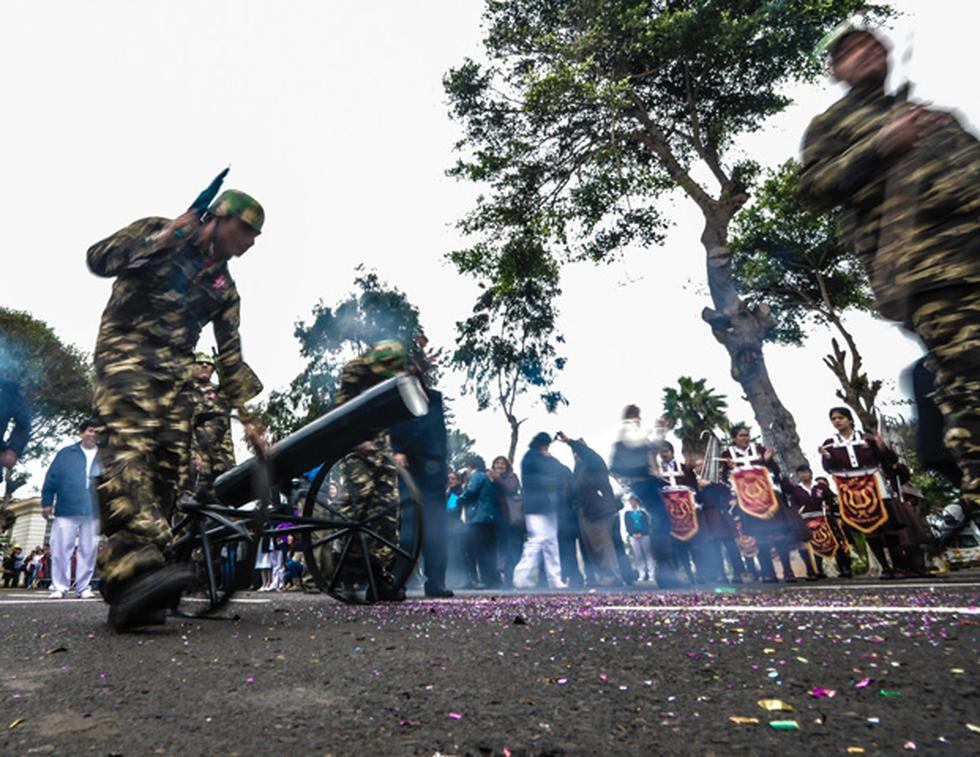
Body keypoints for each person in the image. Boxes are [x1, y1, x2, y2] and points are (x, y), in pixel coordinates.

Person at [800, 23, 980, 515]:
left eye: (871, 44)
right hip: (932, 274)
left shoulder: (936, 119)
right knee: (973, 384)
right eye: (849, 51)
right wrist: (880, 145)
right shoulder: (831, 126)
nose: (864, 52)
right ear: (836, 71)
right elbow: (813, 188)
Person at [87, 188, 266, 629]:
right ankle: (141, 566)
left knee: (169, 472)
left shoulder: (225, 288)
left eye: (256, 235)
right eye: (246, 229)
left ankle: (128, 583)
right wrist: (161, 239)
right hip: (126, 356)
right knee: (129, 454)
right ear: (219, 216)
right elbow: (98, 259)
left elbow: (230, 356)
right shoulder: (159, 231)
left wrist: (248, 419)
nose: (251, 242)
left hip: (175, 376)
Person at [332, 339, 408, 601]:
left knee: (389, 510)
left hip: (380, 444)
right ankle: (351, 570)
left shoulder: (393, 374)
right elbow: (341, 410)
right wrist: (356, 440)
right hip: (354, 444)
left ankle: (381, 576)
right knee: (361, 506)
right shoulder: (354, 370)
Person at [390, 343, 454, 598]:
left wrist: (444, 469)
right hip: (410, 469)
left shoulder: (434, 397)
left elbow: (441, 435)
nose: (417, 368)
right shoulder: (398, 397)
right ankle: (398, 582)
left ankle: (436, 582)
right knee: (409, 528)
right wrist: (397, 450)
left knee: (437, 529)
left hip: (434, 471)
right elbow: (394, 427)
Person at [819, 406, 909, 578]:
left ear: (850, 419)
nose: (837, 421)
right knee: (867, 528)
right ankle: (885, 567)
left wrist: (882, 447)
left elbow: (890, 460)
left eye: (841, 417)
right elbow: (828, 468)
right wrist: (828, 458)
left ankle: (899, 566)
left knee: (888, 525)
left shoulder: (867, 438)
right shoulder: (829, 443)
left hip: (874, 483)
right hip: (850, 489)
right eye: (834, 419)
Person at [721, 425, 802, 583]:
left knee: (778, 534)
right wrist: (730, 469)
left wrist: (767, 461)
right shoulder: (726, 455)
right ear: (734, 438)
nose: (745, 438)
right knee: (758, 536)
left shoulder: (759, 449)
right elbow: (725, 479)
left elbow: (776, 472)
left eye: (747, 435)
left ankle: (788, 571)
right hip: (747, 501)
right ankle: (768, 572)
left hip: (768, 498)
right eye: (741, 435)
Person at [558, 432, 633, 587]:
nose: (576, 455)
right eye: (574, 453)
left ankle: (612, 576)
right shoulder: (578, 470)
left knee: (602, 545)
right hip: (585, 512)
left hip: (598, 510)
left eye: (578, 451)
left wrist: (570, 442)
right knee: (592, 547)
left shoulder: (594, 464)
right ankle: (603, 576)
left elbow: (589, 455)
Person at [40, 419, 102, 598]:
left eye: (97, 431)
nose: (93, 434)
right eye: (90, 430)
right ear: (82, 433)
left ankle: (83, 587)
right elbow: (52, 478)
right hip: (66, 507)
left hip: (93, 509)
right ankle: (59, 586)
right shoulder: (66, 453)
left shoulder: (104, 456)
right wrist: (46, 502)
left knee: (89, 549)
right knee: (61, 548)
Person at [512, 432, 566, 589]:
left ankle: (554, 579)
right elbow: (531, 480)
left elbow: (560, 471)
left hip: (545, 505)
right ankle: (522, 576)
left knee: (550, 542)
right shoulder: (531, 458)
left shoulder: (537, 457)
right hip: (536, 506)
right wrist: (550, 475)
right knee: (537, 540)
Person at [783, 464, 853, 580]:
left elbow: (832, 499)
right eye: (800, 473)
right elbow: (793, 505)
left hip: (823, 517)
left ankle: (845, 568)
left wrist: (833, 510)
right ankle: (817, 570)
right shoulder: (796, 490)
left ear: (810, 473)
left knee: (834, 542)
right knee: (812, 546)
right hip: (806, 521)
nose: (803, 475)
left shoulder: (820, 487)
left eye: (805, 472)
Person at [186, 352, 236, 503]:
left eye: (209, 364)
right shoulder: (183, 392)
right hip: (190, 464)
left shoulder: (223, 393)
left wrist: (224, 367)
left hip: (221, 464)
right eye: (200, 362)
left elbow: (252, 386)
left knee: (222, 510)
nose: (204, 365)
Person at [457, 454, 500, 589]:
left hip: (479, 519)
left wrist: (459, 500)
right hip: (489, 518)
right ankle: (492, 580)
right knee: (488, 550)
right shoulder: (486, 477)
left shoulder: (477, 476)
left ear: (470, 466)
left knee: (478, 550)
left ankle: (481, 580)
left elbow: (471, 491)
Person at [489, 456, 523, 588]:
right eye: (497, 463)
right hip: (495, 518)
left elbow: (511, 490)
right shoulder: (490, 479)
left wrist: (497, 479)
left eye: (503, 463)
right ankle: (501, 577)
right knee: (501, 549)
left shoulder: (512, 477)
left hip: (509, 518)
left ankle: (511, 578)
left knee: (512, 548)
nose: (500, 465)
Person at [624, 496, 655, 581]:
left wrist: (642, 533)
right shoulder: (627, 513)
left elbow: (646, 524)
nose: (632, 503)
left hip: (644, 535)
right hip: (633, 536)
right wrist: (632, 534)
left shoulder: (643, 512)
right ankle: (641, 574)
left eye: (633, 501)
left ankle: (651, 574)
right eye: (631, 501)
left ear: (637, 502)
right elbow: (627, 525)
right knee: (638, 556)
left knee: (648, 554)